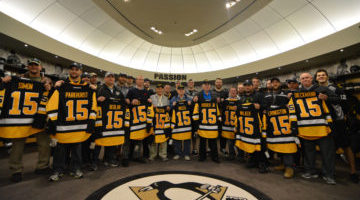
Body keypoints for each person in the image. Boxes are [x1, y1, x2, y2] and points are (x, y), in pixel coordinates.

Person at [0, 58, 51, 182]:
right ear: (28, 67)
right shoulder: (16, 79)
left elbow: (51, 96)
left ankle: (42, 166)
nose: (33, 67)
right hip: (20, 118)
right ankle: (16, 170)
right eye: (31, 65)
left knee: (44, 144)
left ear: (40, 67)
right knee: (17, 146)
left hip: (38, 117)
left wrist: (49, 88)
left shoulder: (45, 82)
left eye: (36, 65)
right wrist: (3, 81)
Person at [48, 62, 97, 181]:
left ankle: (76, 169)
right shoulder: (62, 84)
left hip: (79, 126)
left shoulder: (88, 87)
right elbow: (51, 103)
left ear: (80, 72)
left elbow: (93, 107)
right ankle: (57, 170)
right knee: (60, 151)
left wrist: (91, 122)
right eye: (72, 69)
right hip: (63, 126)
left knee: (77, 150)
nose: (74, 71)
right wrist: (53, 122)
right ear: (70, 71)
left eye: (77, 70)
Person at [288, 72, 338, 185]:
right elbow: (292, 110)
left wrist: (327, 97)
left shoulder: (322, 88)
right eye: (303, 78)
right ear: (300, 81)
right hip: (305, 129)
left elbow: (337, 99)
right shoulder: (296, 93)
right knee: (309, 153)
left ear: (311, 78)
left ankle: (328, 174)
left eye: (307, 77)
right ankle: (310, 171)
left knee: (327, 153)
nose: (305, 79)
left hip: (322, 127)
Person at [315, 69, 359, 183]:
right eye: (319, 75)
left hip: (338, 122)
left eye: (323, 75)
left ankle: (353, 172)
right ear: (316, 78)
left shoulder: (336, 88)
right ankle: (329, 172)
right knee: (328, 149)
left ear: (327, 76)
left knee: (346, 146)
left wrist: (328, 98)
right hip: (323, 122)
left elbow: (344, 103)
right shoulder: (314, 89)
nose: (321, 77)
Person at [92, 72, 128, 169]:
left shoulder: (118, 91)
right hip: (101, 121)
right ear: (105, 79)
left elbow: (123, 103)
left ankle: (108, 159)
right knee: (99, 142)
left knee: (111, 141)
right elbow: (92, 102)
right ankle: (94, 162)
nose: (111, 78)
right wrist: (97, 100)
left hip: (113, 121)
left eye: (112, 77)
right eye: (109, 77)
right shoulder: (99, 89)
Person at [263, 77, 297, 178]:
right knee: (278, 144)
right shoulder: (266, 95)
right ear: (270, 84)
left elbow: (292, 106)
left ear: (280, 83)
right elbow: (264, 107)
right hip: (273, 123)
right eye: (272, 82)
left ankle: (289, 167)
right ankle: (282, 164)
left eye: (276, 82)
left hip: (285, 123)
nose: (275, 84)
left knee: (287, 144)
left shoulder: (287, 93)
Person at [237, 79, 267, 173]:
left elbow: (265, 106)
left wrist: (260, 107)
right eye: (245, 85)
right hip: (246, 125)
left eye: (249, 85)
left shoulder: (259, 95)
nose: (247, 87)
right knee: (250, 143)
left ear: (252, 86)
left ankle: (262, 163)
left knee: (260, 144)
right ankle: (253, 160)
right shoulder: (241, 98)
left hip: (258, 124)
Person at [125, 75, 153, 165]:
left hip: (141, 120)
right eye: (139, 79)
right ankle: (126, 157)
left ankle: (137, 156)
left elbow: (150, 105)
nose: (141, 81)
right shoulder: (131, 90)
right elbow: (126, 101)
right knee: (128, 139)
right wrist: (130, 101)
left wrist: (150, 101)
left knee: (139, 139)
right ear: (136, 81)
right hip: (132, 119)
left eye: (142, 79)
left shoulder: (146, 92)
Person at [193, 79, 220, 163]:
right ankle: (202, 156)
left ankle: (215, 157)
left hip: (212, 124)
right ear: (202, 86)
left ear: (210, 86)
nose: (207, 86)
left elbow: (218, 108)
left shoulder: (214, 94)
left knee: (213, 143)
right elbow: (195, 107)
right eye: (205, 84)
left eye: (208, 84)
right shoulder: (198, 95)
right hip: (203, 124)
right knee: (202, 142)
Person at [170, 84, 193, 160]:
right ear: (177, 90)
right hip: (177, 122)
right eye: (179, 90)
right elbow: (169, 109)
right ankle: (178, 153)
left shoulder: (189, 98)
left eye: (182, 90)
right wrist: (172, 106)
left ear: (184, 90)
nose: (181, 91)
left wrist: (191, 104)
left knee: (187, 139)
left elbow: (193, 109)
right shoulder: (173, 99)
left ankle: (186, 153)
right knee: (177, 139)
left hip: (186, 122)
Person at [149, 84, 170, 161]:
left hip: (163, 120)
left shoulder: (166, 98)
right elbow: (149, 107)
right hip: (154, 119)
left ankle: (163, 155)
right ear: (156, 89)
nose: (159, 90)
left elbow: (168, 108)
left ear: (163, 90)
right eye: (158, 88)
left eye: (161, 89)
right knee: (154, 136)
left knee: (163, 137)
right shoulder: (151, 97)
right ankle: (152, 155)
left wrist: (168, 108)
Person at [220, 87, 239, 160]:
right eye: (231, 91)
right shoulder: (225, 101)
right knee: (230, 141)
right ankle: (232, 154)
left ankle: (240, 155)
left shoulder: (240, 101)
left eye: (234, 91)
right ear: (229, 92)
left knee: (238, 140)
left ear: (236, 92)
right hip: (228, 124)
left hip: (238, 124)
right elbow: (222, 112)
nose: (233, 92)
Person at [185, 79, 198, 155]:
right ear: (187, 84)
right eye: (189, 82)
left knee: (194, 132)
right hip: (186, 114)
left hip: (195, 114)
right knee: (186, 132)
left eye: (192, 82)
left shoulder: (197, 92)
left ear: (194, 83)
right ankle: (186, 149)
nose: (191, 83)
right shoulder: (184, 92)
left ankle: (194, 148)